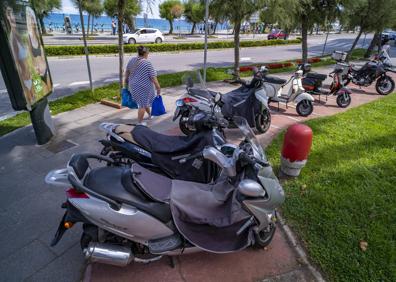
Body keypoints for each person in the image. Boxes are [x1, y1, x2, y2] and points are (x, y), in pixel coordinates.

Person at [124, 46, 161, 124]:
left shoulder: (132, 60)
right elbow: (153, 77)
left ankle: (150, 114)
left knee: (144, 102)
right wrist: (158, 87)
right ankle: (139, 123)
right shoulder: (147, 63)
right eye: (148, 53)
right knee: (142, 105)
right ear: (145, 53)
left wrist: (126, 81)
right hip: (143, 87)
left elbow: (127, 72)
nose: (148, 54)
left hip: (133, 86)